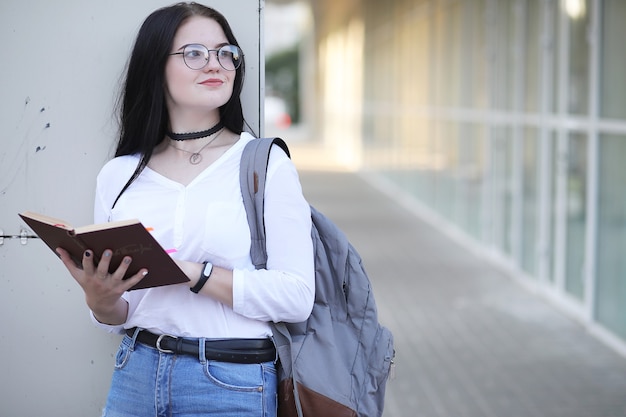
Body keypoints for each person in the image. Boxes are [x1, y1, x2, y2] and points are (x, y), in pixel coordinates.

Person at [55, 2, 315, 416]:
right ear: (155, 66)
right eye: (194, 52)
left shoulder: (264, 165)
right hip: (134, 373)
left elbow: (297, 297)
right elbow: (123, 314)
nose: (215, 63)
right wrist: (101, 300)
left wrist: (195, 273)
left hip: (231, 381)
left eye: (225, 52)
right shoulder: (119, 175)